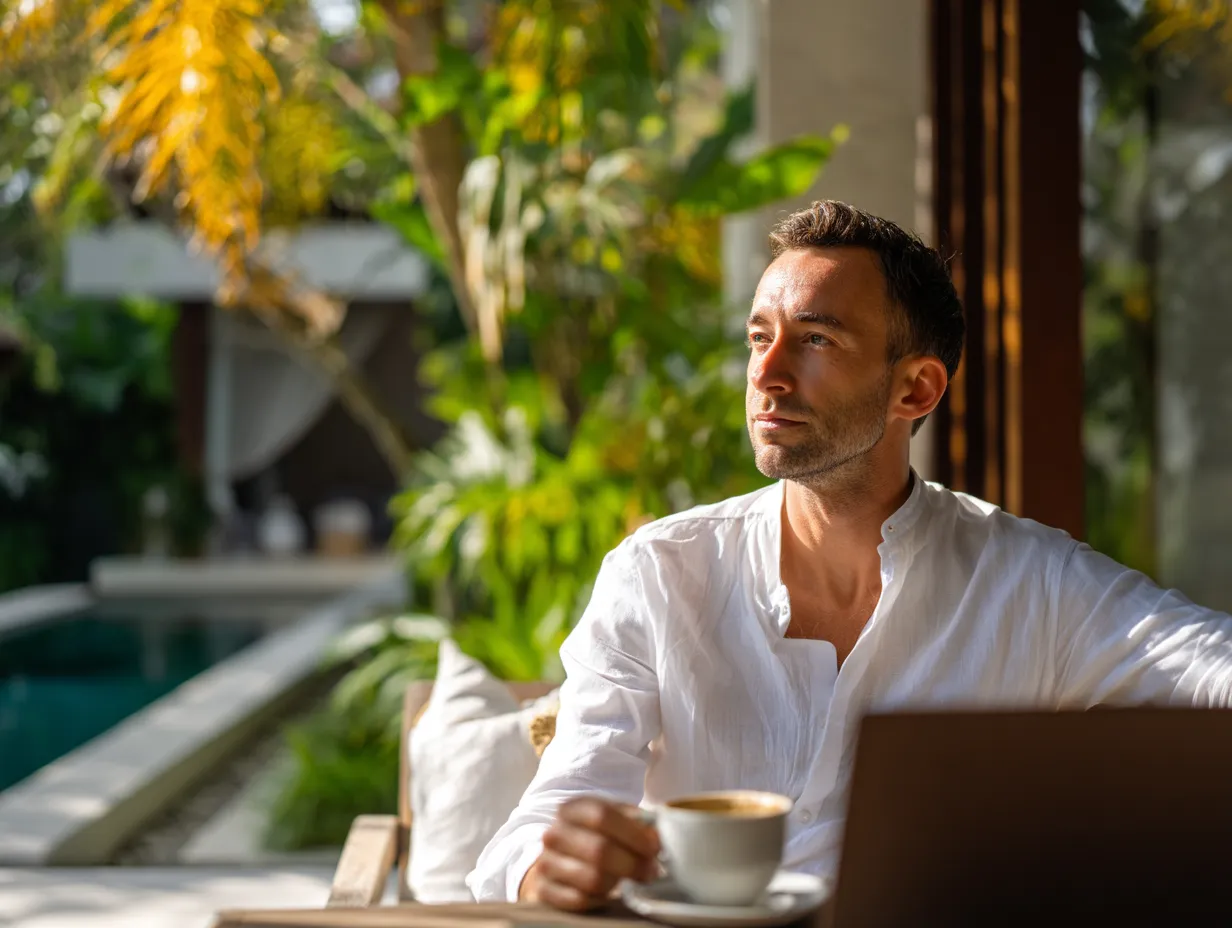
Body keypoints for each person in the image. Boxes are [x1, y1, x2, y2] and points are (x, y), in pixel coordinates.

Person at [466, 200, 1232, 910]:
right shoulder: (661, 575)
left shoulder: (1033, 585)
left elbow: (1211, 669)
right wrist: (553, 867)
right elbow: (543, 826)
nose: (767, 375)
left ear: (917, 390)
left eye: (817, 340)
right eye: (760, 337)